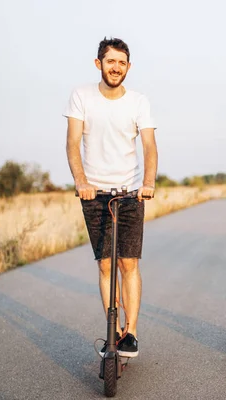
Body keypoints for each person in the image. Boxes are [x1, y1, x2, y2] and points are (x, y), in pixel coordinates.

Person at [63, 37, 158, 358]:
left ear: (128, 67)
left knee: (128, 262)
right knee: (105, 265)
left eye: (121, 63)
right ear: (98, 63)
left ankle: (130, 332)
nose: (115, 67)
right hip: (94, 193)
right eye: (110, 61)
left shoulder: (138, 102)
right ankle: (113, 331)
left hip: (130, 192)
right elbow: (73, 143)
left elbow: (149, 146)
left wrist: (147, 182)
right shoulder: (81, 96)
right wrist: (81, 181)